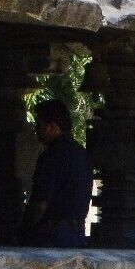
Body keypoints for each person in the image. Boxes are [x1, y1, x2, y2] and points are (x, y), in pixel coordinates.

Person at [19, 100, 92, 247]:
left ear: (52, 127)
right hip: (76, 232)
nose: (36, 130)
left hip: (52, 234)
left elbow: (41, 204)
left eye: (39, 125)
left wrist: (24, 232)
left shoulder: (51, 156)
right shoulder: (82, 154)